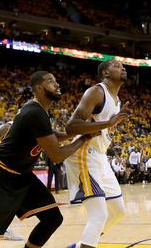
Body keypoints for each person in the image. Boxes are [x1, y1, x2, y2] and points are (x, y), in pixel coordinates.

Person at [0, 71, 90, 248]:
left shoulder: (40, 112)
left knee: (52, 218)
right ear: (38, 87)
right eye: (51, 82)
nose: (57, 84)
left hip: (21, 174)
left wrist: (76, 132)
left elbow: (50, 136)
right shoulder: (35, 113)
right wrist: (83, 139)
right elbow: (57, 155)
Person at [65, 60, 131, 248]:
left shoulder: (116, 100)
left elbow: (103, 124)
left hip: (100, 156)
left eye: (123, 66)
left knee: (118, 212)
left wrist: (110, 123)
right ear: (105, 73)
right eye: (117, 66)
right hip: (84, 153)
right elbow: (71, 126)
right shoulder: (96, 92)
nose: (123, 68)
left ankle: (81, 245)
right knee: (99, 215)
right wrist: (108, 124)